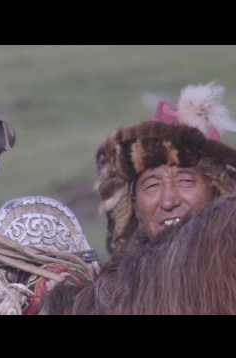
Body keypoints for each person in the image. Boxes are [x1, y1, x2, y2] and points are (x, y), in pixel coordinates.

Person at [45, 82, 236, 314]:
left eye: (186, 181)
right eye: (152, 185)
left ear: (217, 191)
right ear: (134, 205)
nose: (168, 201)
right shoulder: (109, 297)